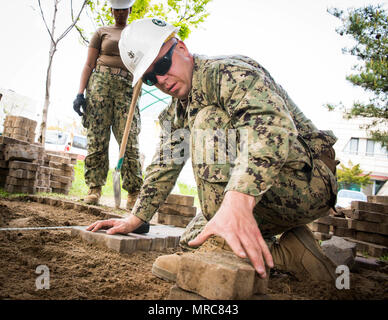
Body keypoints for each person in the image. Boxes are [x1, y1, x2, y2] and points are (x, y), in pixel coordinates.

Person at [87, 18, 339, 282]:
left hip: (308, 183)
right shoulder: (178, 109)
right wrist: (136, 217)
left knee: (209, 121)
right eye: (150, 78)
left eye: (162, 64)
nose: (161, 80)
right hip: (273, 195)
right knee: (192, 242)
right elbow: (165, 163)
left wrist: (238, 201)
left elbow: (271, 127)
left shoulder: (225, 73)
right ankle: (291, 253)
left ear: (181, 48)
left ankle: (234, 243)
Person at [73, 0, 142, 209]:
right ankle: (94, 188)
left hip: (126, 89)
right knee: (97, 138)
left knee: (128, 140)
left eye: (124, 10)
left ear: (129, 10)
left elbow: (145, 62)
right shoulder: (101, 32)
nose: (120, 14)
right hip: (100, 86)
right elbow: (88, 64)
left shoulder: (137, 34)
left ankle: (133, 192)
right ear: (112, 10)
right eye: (116, 10)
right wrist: (79, 93)